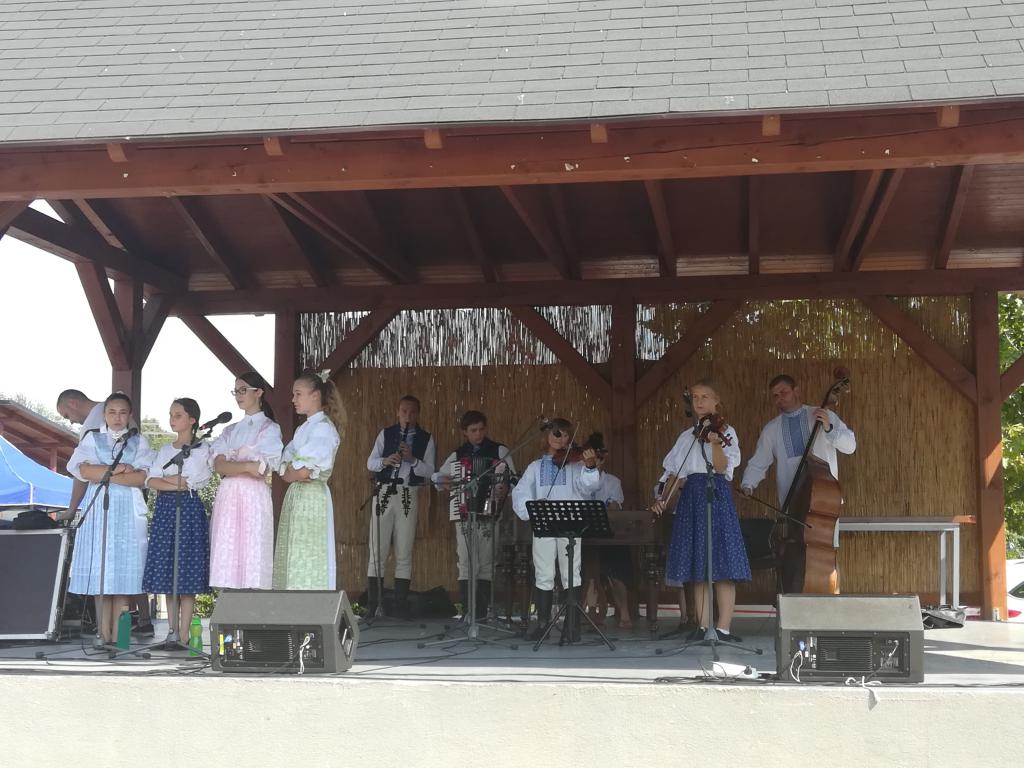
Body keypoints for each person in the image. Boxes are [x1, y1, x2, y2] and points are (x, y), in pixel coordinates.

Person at [653, 381, 749, 642]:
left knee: (723, 566)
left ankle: (723, 629)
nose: (699, 401)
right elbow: (674, 474)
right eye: (695, 397)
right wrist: (662, 499)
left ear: (716, 401)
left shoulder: (727, 431)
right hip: (691, 498)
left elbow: (722, 468)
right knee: (699, 567)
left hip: (716, 495)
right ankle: (704, 627)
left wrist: (716, 443)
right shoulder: (686, 436)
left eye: (705, 396)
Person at [66, 392, 155, 644]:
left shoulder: (139, 441)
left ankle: (119, 635)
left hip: (127, 508)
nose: (117, 418)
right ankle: (102, 633)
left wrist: (104, 474)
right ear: (104, 414)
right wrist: (120, 469)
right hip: (100, 507)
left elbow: (142, 478)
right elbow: (82, 470)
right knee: (101, 570)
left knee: (123, 571)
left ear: (130, 415)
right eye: (112, 412)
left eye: (123, 413)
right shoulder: (92, 438)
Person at [512, 418, 600, 641]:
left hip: (571, 521)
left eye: (566, 435)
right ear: (547, 436)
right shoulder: (535, 466)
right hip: (544, 522)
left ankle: (572, 626)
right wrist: (532, 510)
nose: (562, 439)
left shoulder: (576, 465)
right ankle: (542, 624)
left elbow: (589, 488)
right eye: (557, 434)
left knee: (572, 573)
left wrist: (590, 467)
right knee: (543, 573)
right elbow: (520, 492)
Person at [432, 410, 516, 620]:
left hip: (490, 513)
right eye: (473, 430)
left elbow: (514, 480)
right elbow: (436, 477)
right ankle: (468, 611)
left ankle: (481, 613)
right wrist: (445, 481)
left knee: (487, 563)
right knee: (465, 562)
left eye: (481, 429)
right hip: (465, 514)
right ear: (465, 432)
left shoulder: (499, 450)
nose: (478, 434)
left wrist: (504, 488)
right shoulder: (458, 455)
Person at [143, 398, 211, 642]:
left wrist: (167, 480)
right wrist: (174, 482)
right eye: (171, 414)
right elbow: (151, 480)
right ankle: (171, 632)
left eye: (178, 415)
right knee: (168, 572)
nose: (172, 419)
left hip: (189, 509)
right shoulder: (165, 450)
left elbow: (192, 481)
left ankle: (184, 635)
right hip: (165, 511)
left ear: (192, 420)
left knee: (187, 574)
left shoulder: (202, 449)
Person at [208, 373, 283, 590]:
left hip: (253, 495)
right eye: (236, 391)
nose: (238, 395)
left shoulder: (270, 428)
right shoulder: (229, 429)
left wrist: (234, 463)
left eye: (243, 390)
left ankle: (252, 604)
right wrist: (246, 465)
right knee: (229, 549)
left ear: (258, 392)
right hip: (229, 495)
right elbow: (219, 465)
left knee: (252, 548)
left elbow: (260, 470)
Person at [365, 395, 436, 617]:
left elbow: (430, 471)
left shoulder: (426, 438)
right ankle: (373, 606)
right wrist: (386, 461)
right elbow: (370, 463)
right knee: (377, 549)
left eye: (412, 412)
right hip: (384, 491)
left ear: (418, 414)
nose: (408, 416)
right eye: (404, 411)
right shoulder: (386, 434)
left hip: (408, 493)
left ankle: (399, 606)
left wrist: (412, 459)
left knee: (404, 550)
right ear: (398, 412)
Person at [273, 371, 343, 590]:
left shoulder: (323, 428)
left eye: (298, 394)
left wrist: (293, 470)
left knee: (309, 552)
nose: (293, 399)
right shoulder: (303, 429)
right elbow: (284, 469)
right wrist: (291, 471)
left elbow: (301, 472)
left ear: (315, 395)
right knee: (293, 552)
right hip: (297, 496)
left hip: (312, 498)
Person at [740, 373, 857, 505]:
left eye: (783, 392)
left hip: (825, 498)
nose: (780, 398)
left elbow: (850, 447)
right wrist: (747, 484)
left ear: (796, 391)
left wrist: (829, 429)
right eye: (775, 396)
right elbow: (758, 462)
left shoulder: (823, 415)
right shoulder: (771, 429)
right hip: (792, 503)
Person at [585, 467, 635, 630]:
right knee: (587, 571)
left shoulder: (612, 481)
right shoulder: (578, 480)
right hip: (585, 533)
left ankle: (624, 612)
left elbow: (615, 507)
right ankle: (590, 612)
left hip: (609, 533)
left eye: (597, 458)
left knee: (616, 569)